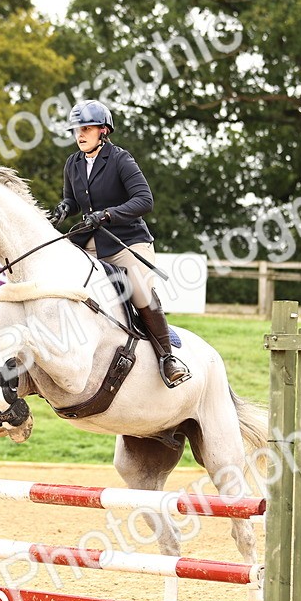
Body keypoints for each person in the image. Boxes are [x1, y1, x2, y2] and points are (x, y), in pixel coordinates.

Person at [49, 99, 191, 388]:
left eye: (86, 129)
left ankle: (167, 358)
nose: (80, 135)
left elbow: (144, 200)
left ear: (103, 130)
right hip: (89, 241)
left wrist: (108, 214)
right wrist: (64, 208)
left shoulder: (120, 159)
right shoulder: (73, 163)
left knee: (139, 290)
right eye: (77, 130)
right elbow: (72, 200)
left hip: (126, 241)